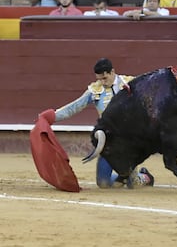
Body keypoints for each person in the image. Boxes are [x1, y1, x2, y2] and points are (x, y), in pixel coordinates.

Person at [51, 58, 154, 188]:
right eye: (99, 79)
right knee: (104, 183)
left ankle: (145, 177)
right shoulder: (95, 90)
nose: (102, 82)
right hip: (108, 143)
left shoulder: (130, 84)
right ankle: (122, 177)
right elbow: (74, 107)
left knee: (134, 185)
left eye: (105, 78)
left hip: (129, 143)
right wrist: (52, 116)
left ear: (112, 72)